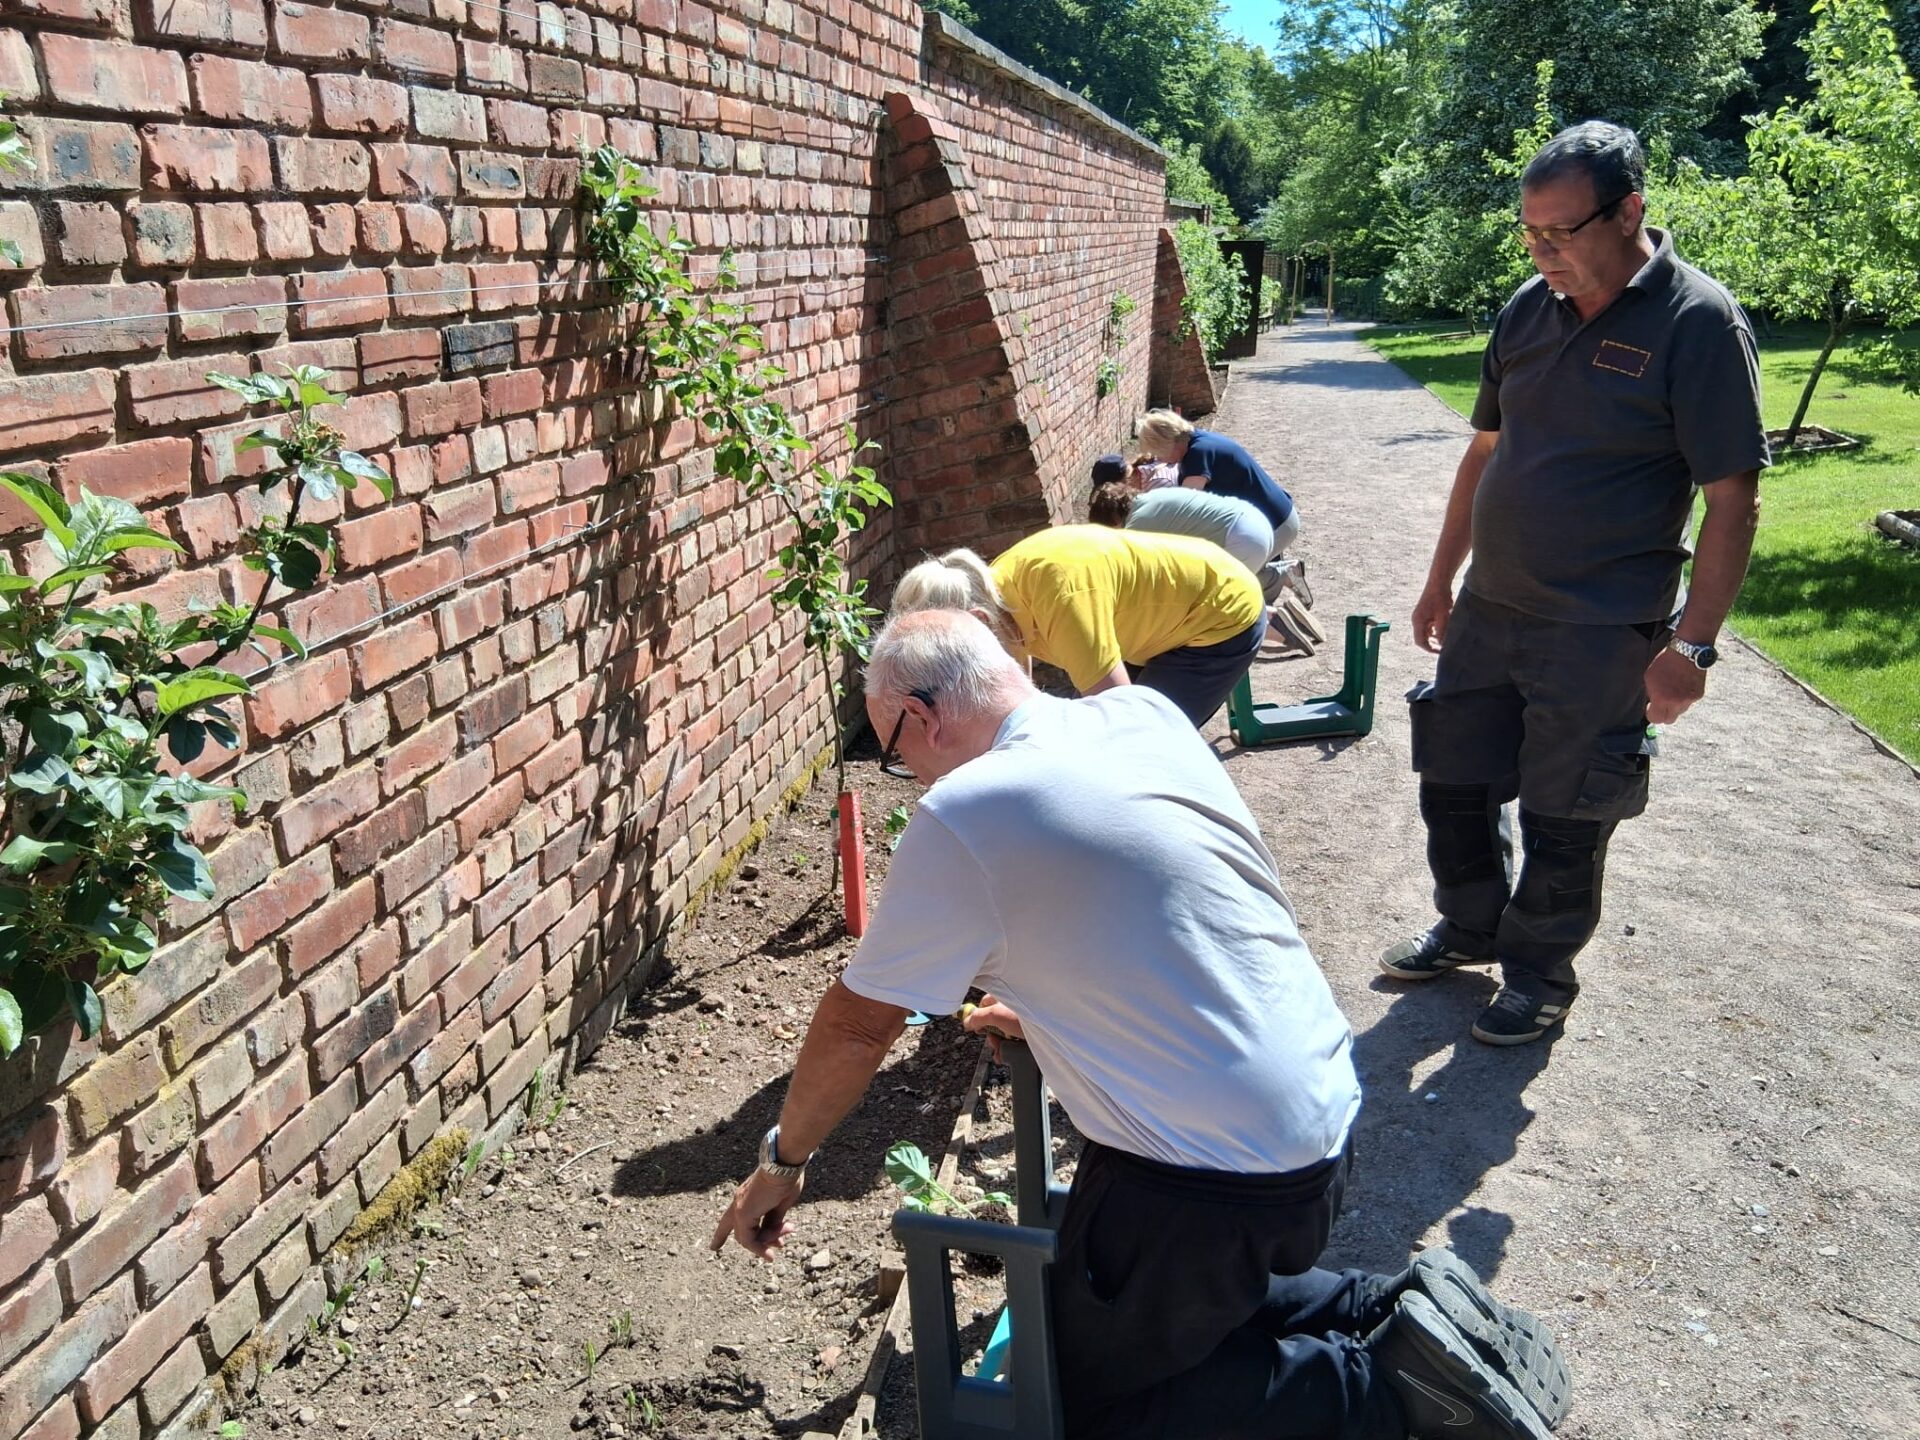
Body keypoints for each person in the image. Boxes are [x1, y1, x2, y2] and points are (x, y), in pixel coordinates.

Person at [711, 610, 1571, 1440]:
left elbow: (859, 1029)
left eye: (896, 756)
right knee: (1157, 1306)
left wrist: (782, 1162)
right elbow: (1166, 892)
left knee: (1087, 1405)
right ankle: (1386, 1309)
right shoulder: (1141, 713)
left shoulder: (963, 811)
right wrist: (1056, 1000)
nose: (912, 779)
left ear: (924, 717)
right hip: (1320, 1116)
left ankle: (1391, 1394)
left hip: (1211, 1184)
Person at [1382, 120, 1767, 1046]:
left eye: (1562, 232)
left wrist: (1691, 647)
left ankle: (1540, 974)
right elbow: (1485, 452)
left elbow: (1734, 501)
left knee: (1567, 808)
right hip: (1492, 609)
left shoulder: (1699, 323)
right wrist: (1443, 578)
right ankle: (1471, 926)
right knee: (1454, 777)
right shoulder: (1526, 309)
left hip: (1600, 629)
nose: (1543, 252)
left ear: (1630, 210)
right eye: (1530, 232)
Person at [889, 526, 1264, 728]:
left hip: (1218, 614)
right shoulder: (996, 587)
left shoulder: (1063, 603)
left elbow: (1122, 716)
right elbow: (1017, 681)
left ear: (979, 622)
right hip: (1156, 620)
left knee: (1144, 744)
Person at [1087, 481, 1322, 653]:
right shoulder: (1152, 498)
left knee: (1213, 609)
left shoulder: (1136, 527)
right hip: (1256, 523)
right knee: (1217, 596)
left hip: (1240, 539)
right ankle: (1282, 616)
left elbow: (1138, 581)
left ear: (1113, 522)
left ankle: (1279, 631)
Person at [1136, 409, 1311, 607]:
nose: (1158, 459)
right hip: (1276, 516)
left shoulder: (1196, 455)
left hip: (1275, 525)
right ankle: (1282, 576)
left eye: (1156, 451)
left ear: (1166, 443)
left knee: (1224, 584)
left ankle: (1277, 592)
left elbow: (1184, 507)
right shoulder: (1200, 441)